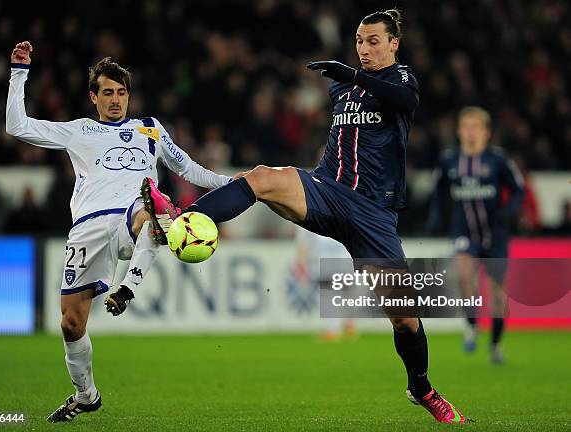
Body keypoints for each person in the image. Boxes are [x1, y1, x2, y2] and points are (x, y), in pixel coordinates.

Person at [154, 9, 469, 424]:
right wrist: (346, 84)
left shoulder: (401, 79)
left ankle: (422, 388)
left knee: (405, 319)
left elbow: (406, 102)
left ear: (394, 44)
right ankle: (182, 216)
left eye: (373, 40)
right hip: (326, 191)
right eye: (359, 40)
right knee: (263, 177)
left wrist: (350, 74)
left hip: (373, 213)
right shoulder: (343, 91)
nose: (364, 48)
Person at [5, 41, 231, 422]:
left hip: (131, 216)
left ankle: (128, 287)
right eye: (107, 92)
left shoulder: (151, 130)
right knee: (70, 324)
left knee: (153, 206)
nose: (116, 100)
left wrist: (235, 183)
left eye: (122, 93)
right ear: (93, 97)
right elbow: (16, 126)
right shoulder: (79, 131)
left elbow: (190, 170)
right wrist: (18, 73)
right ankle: (86, 394)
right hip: (87, 231)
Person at [427, 106, 524, 364]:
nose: (470, 132)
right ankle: (471, 324)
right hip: (463, 231)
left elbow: (518, 189)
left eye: (475, 127)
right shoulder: (449, 160)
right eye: (466, 127)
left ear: (486, 133)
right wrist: (435, 216)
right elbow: (438, 190)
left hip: (495, 233)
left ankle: (495, 344)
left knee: (497, 292)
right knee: (463, 275)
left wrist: (509, 212)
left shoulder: (498, 160)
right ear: (459, 131)